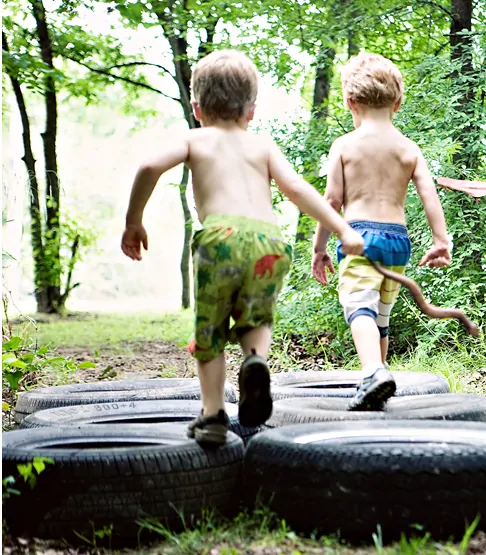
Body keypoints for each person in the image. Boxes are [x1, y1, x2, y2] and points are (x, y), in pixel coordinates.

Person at [121, 49, 364, 445]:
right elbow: (298, 189)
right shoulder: (262, 146)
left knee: (211, 330)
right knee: (256, 318)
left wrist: (134, 222)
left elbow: (148, 167)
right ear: (251, 111)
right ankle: (255, 361)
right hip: (269, 241)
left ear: (197, 108)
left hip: (220, 239)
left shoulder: (194, 138)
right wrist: (342, 229)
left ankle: (213, 414)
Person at [311, 52, 451, 411]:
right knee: (381, 317)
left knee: (359, 310)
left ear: (349, 102)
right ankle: (379, 380)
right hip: (397, 242)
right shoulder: (408, 148)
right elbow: (428, 194)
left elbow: (331, 201)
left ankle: (373, 370)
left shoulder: (344, 145)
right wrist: (440, 240)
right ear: (398, 102)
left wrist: (319, 247)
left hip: (359, 238)